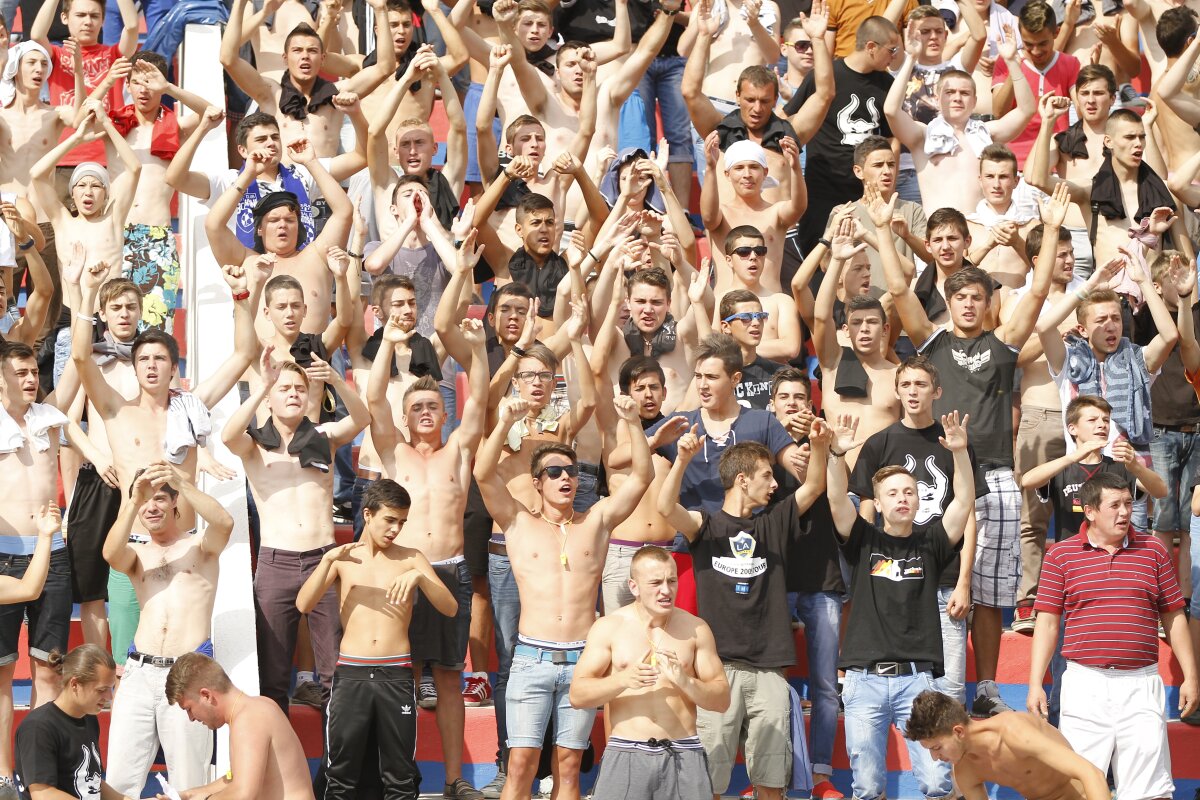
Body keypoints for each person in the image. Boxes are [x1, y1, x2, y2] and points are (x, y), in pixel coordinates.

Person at [880, 181, 1067, 717]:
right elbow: (899, 294)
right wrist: (880, 231)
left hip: (998, 477)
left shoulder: (1003, 344)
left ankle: (984, 689)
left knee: (987, 593)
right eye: (959, 296)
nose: (966, 303)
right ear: (950, 301)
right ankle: (927, 679)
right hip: (939, 475)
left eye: (976, 297)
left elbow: (1034, 296)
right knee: (932, 581)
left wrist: (1051, 230)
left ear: (987, 304)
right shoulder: (932, 342)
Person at [474, 393, 653, 800]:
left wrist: (633, 423)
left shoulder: (598, 521)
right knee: (519, 764)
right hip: (530, 659)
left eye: (570, 471)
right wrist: (503, 422)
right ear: (537, 483)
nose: (564, 478)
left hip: (582, 660)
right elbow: (483, 475)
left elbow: (642, 477)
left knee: (569, 768)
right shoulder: (517, 521)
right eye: (553, 472)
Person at [656, 424, 829, 800]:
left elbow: (814, 486)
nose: (774, 484)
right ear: (741, 479)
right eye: (767, 475)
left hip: (769, 669)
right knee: (709, 781)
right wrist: (682, 459)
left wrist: (820, 446)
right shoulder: (707, 524)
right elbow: (666, 507)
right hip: (718, 671)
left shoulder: (774, 521)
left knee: (771, 782)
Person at [365, 310, 490, 800]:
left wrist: (477, 350)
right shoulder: (393, 451)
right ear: (405, 415)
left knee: (448, 678)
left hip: (449, 574)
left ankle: (456, 779)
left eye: (432, 406)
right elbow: (375, 397)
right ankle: (400, 778)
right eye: (415, 405)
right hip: (400, 574)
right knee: (399, 676)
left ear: (444, 415)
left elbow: (480, 397)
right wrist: (388, 343)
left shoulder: (458, 449)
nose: (424, 412)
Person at [825, 410, 976, 800]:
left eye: (909, 491)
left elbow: (963, 502)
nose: (902, 498)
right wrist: (836, 456)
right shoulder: (862, 539)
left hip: (918, 681)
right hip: (864, 680)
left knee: (935, 783)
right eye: (892, 493)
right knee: (869, 786)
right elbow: (836, 498)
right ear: (877, 501)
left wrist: (959, 453)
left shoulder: (931, 542)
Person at [1026, 472, 1199, 800]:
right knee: (1078, 787)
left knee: (1150, 792)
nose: (1124, 512)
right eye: (1114, 505)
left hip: (1142, 685)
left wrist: (1191, 676)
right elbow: (1047, 625)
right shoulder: (1060, 556)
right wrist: (1035, 683)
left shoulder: (1154, 551)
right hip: (1083, 685)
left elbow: (1174, 617)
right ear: (1089, 511)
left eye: (1128, 504)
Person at [222, 346, 370, 711]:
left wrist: (335, 378)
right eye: (284, 388)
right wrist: (261, 386)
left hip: (323, 560)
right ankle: (279, 765)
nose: (293, 394)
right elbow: (227, 436)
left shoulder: (324, 435)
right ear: (270, 399)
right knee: (272, 676)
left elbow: (362, 419)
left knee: (334, 672)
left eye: (299, 389)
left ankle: (335, 767)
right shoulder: (256, 444)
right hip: (276, 563)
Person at [296, 479, 458, 800]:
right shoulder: (343, 558)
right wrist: (327, 561)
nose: (396, 529)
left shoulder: (411, 558)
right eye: (390, 520)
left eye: (402, 522)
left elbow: (449, 607)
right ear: (367, 515)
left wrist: (420, 576)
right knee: (340, 774)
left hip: (395, 675)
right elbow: (304, 604)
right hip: (351, 674)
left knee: (400, 775)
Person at [848, 355, 986, 706]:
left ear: (936, 391)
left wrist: (964, 581)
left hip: (944, 578)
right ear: (896, 390)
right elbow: (866, 510)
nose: (913, 391)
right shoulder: (879, 443)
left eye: (921, 384)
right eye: (906, 384)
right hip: (893, 574)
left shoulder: (954, 441)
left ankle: (947, 762)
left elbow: (966, 512)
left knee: (950, 689)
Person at [101, 462, 235, 797]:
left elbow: (224, 522)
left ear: (175, 502)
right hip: (139, 673)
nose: (151, 507)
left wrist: (181, 482)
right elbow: (109, 552)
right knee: (118, 779)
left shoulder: (200, 547)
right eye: (144, 500)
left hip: (188, 674)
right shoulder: (137, 555)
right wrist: (131, 501)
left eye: (159, 498)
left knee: (189, 782)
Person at [568, 546, 731, 800]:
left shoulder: (696, 629)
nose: (666, 590)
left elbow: (721, 700)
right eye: (655, 582)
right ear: (634, 587)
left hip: (683, 752)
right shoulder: (609, 627)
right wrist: (623, 679)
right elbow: (578, 695)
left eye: (672, 581)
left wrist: (685, 681)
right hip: (626, 752)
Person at [0, 342, 73, 795]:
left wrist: (83, 300)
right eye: (21, 372)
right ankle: (4, 776)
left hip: (55, 553)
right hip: (3, 556)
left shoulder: (49, 417)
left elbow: (79, 361)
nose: (31, 379)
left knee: (48, 672)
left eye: (34, 372)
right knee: (1, 676)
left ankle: (39, 777)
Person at [884, 19, 1033, 214]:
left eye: (964, 93)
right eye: (949, 92)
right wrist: (911, 58)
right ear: (937, 99)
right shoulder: (922, 136)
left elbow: (1026, 110)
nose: (957, 98)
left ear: (974, 100)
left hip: (981, 231)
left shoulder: (988, 134)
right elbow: (891, 110)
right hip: (941, 236)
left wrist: (1012, 62)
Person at [221, 0, 394, 158]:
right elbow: (228, 58)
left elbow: (384, 68)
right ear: (285, 57)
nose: (305, 56)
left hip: (322, 184)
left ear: (323, 58)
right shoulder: (270, 94)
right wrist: (241, 3)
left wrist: (380, 9)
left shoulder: (336, 95)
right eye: (297, 51)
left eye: (311, 51)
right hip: (282, 185)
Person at [786, 15, 899, 255]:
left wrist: (885, 180)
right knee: (819, 254)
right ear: (871, 47)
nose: (895, 56)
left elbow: (892, 138)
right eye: (892, 49)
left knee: (864, 259)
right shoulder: (827, 76)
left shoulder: (887, 83)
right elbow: (789, 118)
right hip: (822, 186)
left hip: (865, 191)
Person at [161, 653, 316, 800]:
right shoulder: (255, 708)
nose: (191, 718)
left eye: (189, 709)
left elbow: (243, 794)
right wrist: (188, 795)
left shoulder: (249, 718)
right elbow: (234, 778)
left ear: (206, 696)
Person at [905, 689, 1110, 800]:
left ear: (958, 731)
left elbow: (1091, 774)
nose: (935, 757)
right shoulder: (965, 770)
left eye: (936, 747)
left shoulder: (1014, 732)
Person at [1020, 395, 1167, 535]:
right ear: (1072, 429)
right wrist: (1072, 457)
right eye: (1092, 420)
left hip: (1111, 553)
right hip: (1072, 554)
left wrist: (1136, 466)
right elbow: (1027, 481)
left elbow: (1161, 491)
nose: (1102, 425)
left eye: (1106, 420)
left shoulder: (1119, 466)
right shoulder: (1061, 468)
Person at [13, 645, 132, 800]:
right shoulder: (38, 727)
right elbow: (43, 794)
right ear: (75, 684)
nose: (109, 696)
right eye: (101, 690)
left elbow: (92, 782)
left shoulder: (89, 718)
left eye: (111, 688)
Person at [990, 1, 1080, 169]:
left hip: (1055, 164)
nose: (1036, 51)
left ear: (1056, 33)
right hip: (1013, 165)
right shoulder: (1006, 60)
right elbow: (998, 112)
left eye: (1042, 44)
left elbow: (1083, 113)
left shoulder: (1071, 63)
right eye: (1029, 44)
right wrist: (1013, 66)